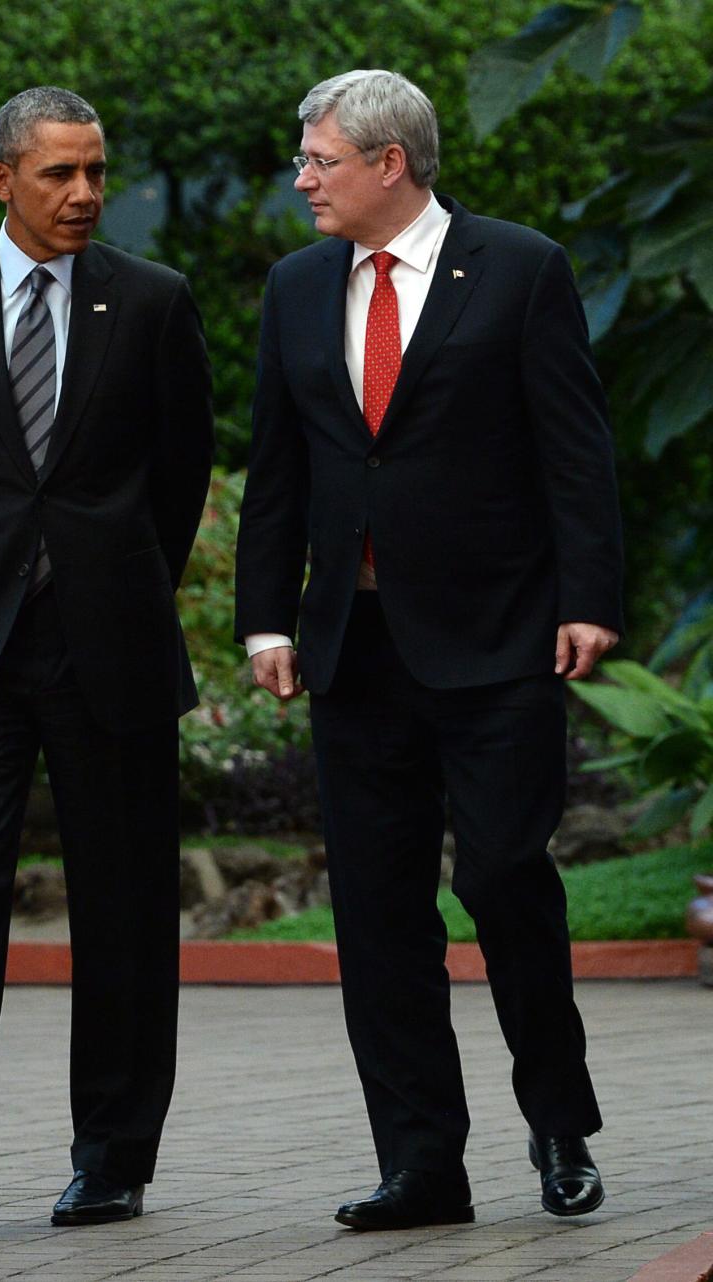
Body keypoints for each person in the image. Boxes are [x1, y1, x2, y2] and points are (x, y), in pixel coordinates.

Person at [234, 69, 622, 1232]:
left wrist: (588, 597)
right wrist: (266, 617)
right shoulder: (297, 287)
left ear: (388, 163)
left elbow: (574, 447)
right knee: (377, 911)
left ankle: (559, 1129)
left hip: (499, 640)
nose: (302, 180)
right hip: (355, 649)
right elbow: (277, 468)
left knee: (505, 878)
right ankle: (422, 1165)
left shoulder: (519, 266)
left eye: (319, 161)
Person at [0, 86, 213, 1235]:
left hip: (108, 648)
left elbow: (182, 476)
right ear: (0, 178)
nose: (84, 194)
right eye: (60, 173)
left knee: (122, 907)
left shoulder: (153, 302)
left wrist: (109, 580)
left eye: (96, 171)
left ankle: (112, 1156)